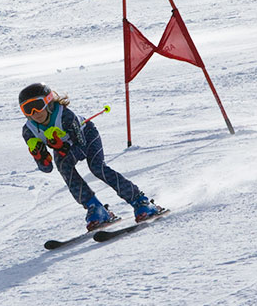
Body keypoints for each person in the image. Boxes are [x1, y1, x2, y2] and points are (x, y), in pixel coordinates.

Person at [19, 82, 164, 230]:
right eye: (27, 109)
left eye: (38, 105)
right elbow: (46, 169)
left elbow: (82, 149)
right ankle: (95, 208)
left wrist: (63, 148)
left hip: (87, 136)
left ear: (49, 102)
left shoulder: (65, 116)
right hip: (63, 147)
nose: (35, 113)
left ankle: (140, 200)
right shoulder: (29, 131)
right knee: (64, 168)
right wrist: (40, 156)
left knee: (97, 167)